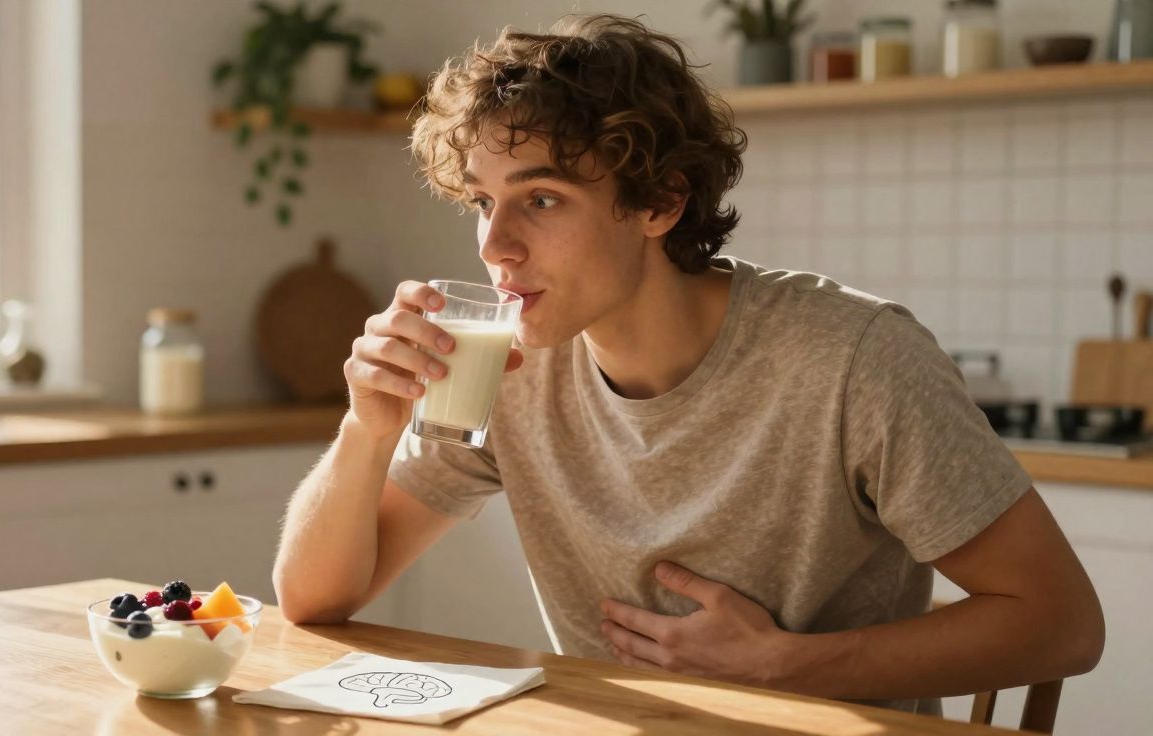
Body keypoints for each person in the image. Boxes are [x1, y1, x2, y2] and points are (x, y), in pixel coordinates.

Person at [273, 14, 1104, 716]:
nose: (495, 244)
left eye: (543, 198)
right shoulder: (507, 364)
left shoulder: (853, 359)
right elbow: (315, 600)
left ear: (660, 203)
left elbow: (1062, 624)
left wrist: (782, 664)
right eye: (484, 202)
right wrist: (365, 429)